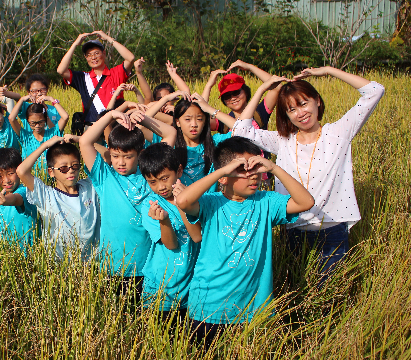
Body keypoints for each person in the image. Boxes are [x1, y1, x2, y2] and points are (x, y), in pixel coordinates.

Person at [230, 69, 385, 282]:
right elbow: (240, 131)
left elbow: (375, 91)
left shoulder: (338, 132)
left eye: (303, 104)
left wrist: (328, 71)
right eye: (291, 109)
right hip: (293, 230)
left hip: (331, 230)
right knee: (298, 293)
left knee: (331, 295)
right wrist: (264, 89)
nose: (300, 113)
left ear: (317, 101)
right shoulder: (283, 141)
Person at [175, 136, 314, 348]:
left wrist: (274, 168)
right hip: (208, 305)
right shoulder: (211, 203)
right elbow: (183, 200)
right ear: (224, 176)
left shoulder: (266, 202)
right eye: (243, 169)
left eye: (256, 168)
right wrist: (221, 171)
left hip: (253, 309)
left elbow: (306, 202)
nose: (253, 176)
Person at [79, 109, 176, 300]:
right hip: (112, 266)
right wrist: (111, 115)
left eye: (128, 156)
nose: (120, 162)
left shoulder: (150, 174)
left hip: (147, 265)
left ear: (140, 154)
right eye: (115, 156)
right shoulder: (104, 177)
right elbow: (85, 141)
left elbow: (170, 134)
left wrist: (145, 119)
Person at [138, 143, 202, 327]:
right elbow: (171, 245)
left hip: (191, 287)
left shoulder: (194, 198)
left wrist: (181, 202)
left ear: (179, 171)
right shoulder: (150, 206)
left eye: (165, 178)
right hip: (160, 289)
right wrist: (164, 221)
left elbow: (198, 236)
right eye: (152, 182)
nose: (161, 187)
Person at [17, 136, 100, 261]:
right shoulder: (46, 195)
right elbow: (21, 171)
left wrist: (81, 140)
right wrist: (45, 145)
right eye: (63, 168)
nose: (70, 171)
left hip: (91, 265)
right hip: (58, 267)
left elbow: (109, 156)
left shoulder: (89, 187)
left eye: (75, 166)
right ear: (51, 172)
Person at [145, 92, 236, 188]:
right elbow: (140, 124)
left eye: (199, 119)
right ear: (177, 122)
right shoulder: (169, 143)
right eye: (187, 119)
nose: (194, 124)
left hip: (207, 202)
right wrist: (165, 99)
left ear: (205, 122)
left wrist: (210, 110)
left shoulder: (215, 142)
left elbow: (242, 129)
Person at [57, 31, 135, 125]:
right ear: (86, 58)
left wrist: (108, 39)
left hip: (117, 127)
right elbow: (61, 71)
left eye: (96, 53)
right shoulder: (83, 78)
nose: (93, 57)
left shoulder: (116, 73)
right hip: (92, 128)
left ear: (104, 54)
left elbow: (130, 58)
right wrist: (75, 44)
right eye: (89, 55)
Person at [202, 60, 280, 133]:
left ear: (245, 91)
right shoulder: (223, 122)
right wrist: (208, 85)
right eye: (227, 96)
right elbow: (200, 120)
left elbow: (277, 87)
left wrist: (250, 67)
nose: (233, 98)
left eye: (236, 92)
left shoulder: (259, 112)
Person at [0, 147, 38, 251]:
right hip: (7, 253)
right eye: (0, 176)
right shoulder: (0, 196)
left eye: (11, 173)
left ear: (19, 170)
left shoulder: (25, 192)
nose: (6, 180)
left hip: (26, 254)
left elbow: (15, 199)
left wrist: (5, 201)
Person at [8, 95, 69, 172]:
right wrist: (22, 99)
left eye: (41, 122)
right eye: (33, 123)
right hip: (31, 180)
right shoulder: (25, 137)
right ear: (27, 121)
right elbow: (11, 118)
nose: (37, 126)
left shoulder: (53, 134)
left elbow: (65, 117)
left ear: (46, 119)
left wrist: (51, 99)